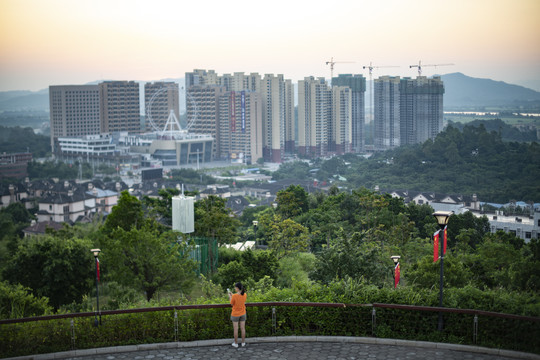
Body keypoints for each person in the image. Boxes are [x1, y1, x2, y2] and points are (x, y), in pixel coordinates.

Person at [228, 282, 247, 348]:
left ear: (237, 288)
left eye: (235, 287)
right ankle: (243, 342)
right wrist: (232, 295)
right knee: (242, 328)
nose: (235, 288)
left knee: (236, 329)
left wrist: (230, 296)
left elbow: (232, 304)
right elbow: (239, 299)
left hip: (235, 314)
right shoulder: (244, 294)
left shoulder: (234, 296)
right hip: (243, 313)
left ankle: (236, 343)